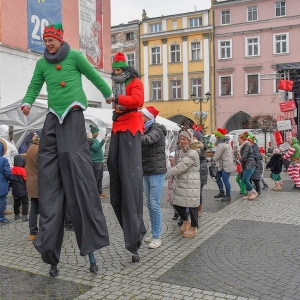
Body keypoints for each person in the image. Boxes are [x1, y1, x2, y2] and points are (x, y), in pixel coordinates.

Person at [21, 23, 111, 276]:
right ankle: (52, 257)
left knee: (74, 163)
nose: (47, 44)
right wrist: (28, 102)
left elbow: (94, 76)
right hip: (52, 118)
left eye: (51, 40)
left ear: (60, 40)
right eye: (45, 41)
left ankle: (91, 254)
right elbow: (34, 86)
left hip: (72, 115)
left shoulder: (75, 57)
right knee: (51, 180)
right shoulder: (42, 64)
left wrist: (108, 94)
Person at [106, 52, 146, 262]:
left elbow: (138, 100)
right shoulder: (115, 83)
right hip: (117, 125)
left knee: (129, 178)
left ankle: (136, 231)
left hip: (130, 125)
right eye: (115, 69)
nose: (116, 72)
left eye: (119, 69)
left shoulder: (135, 81)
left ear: (126, 69)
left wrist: (119, 99)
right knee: (113, 166)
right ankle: (132, 227)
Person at [165, 129, 202, 238]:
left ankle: (194, 227)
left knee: (192, 205)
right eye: (180, 139)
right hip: (182, 181)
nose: (182, 141)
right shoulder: (183, 150)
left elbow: (181, 167)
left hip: (191, 183)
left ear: (189, 140)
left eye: (184, 139)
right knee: (177, 203)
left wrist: (166, 175)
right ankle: (186, 221)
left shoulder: (193, 152)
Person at [141, 106, 167, 249]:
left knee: (154, 204)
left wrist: (133, 135)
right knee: (150, 204)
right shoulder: (146, 128)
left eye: (142, 115)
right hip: (147, 170)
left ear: (148, 117)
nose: (140, 117)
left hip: (157, 170)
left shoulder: (156, 129)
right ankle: (153, 232)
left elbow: (148, 140)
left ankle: (157, 237)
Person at [210, 128, 234, 202]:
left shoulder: (221, 144)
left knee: (225, 180)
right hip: (223, 164)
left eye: (216, 135)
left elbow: (217, 156)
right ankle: (221, 192)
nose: (215, 136)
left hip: (226, 165)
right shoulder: (226, 142)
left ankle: (228, 196)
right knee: (217, 177)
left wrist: (208, 159)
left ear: (218, 136)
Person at [25, 132, 40, 241]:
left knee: (34, 208)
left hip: (31, 181)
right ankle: (43, 232)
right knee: (44, 209)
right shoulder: (39, 149)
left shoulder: (31, 147)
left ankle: (33, 233)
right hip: (39, 182)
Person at [0, 124, 18, 215]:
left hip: (9, 170)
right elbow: (7, 159)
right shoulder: (5, 144)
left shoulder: (7, 142)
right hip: (8, 171)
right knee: (4, 192)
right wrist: (10, 173)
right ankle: (3, 209)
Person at [88, 124, 107, 197]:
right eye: (96, 132)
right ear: (93, 133)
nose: (98, 133)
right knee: (95, 178)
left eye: (98, 132)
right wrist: (102, 141)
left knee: (100, 177)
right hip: (95, 162)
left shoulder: (95, 140)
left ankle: (99, 191)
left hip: (100, 161)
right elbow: (96, 148)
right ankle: (94, 194)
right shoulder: (91, 141)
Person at [238, 132, 257, 200]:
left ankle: (254, 192)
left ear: (242, 139)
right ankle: (249, 194)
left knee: (245, 180)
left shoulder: (246, 145)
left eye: (239, 138)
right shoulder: (244, 145)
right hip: (247, 164)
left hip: (250, 164)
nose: (238, 140)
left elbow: (245, 155)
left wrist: (239, 160)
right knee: (246, 179)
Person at [11, 155, 29, 221]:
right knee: (25, 203)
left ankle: (16, 214)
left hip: (14, 190)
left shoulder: (12, 169)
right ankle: (24, 215)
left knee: (16, 203)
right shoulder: (22, 170)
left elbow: (10, 179)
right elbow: (25, 179)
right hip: (22, 190)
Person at [0, 139, 12, 225]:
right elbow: (7, 173)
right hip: (1, 185)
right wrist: (11, 178)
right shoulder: (3, 160)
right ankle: (1, 217)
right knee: (1, 202)